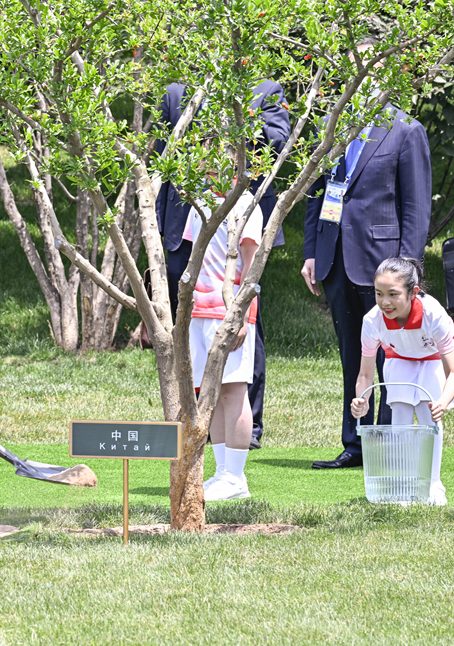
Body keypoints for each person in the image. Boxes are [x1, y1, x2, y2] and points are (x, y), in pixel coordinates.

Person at [156, 80, 290, 449]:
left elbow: (278, 143)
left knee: (234, 382)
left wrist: (240, 118)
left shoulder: (263, 90)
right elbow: (162, 160)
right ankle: (216, 461)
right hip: (196, 275)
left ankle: (243, 449)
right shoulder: (177, 93)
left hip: (231, 300)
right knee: (206, 384)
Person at [302, 102, 431, 469]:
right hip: (335, 256)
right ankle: (355, 443)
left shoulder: (406, 129)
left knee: (392, 356)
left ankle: (389, 443)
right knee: (352, 355)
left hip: (384, 264)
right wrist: (312, 250)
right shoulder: (331, 123)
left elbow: (416, 207)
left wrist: (407, 269)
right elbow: (318, 191)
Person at [185, 185, 264, 501]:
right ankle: (222, 474)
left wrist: (241, 313)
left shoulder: (246, 204)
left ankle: (235, 477)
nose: (213, 163)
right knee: (211, 392)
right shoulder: (198, 199)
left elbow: (252, 264)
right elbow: (197, 254)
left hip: (229, 309)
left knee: (233, 389)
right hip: (199, 309)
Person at [351, 258, 451, 505]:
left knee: (429, 416)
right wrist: (361, 399)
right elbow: (365, 374)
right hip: (399, 359)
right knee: (401, 415)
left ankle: (433, 484)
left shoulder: (433, 314)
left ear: (413, 292)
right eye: (378, 293)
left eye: (393, 294)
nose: (385, 302)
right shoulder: (372, 321)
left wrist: (443, 400)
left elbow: (452, 370)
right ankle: (405, 485)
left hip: (433, 359)